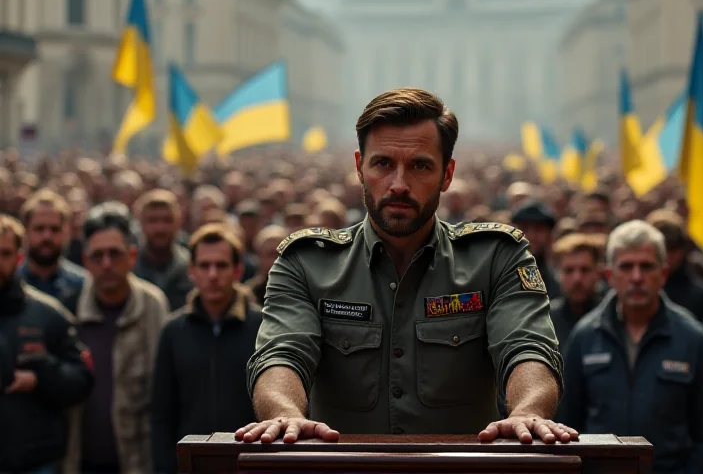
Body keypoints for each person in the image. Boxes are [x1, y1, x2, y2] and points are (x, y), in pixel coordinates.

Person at [237, 88, 576, 445]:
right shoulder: (306, 263)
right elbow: (283, 353)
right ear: (359, 167)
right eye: (383, 163)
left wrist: (528, 409)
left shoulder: (497, 258)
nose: (399, 184)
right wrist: (284, 412)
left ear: (447, 174)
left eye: (420, 165)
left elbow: (527, 347)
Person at [558, 220, 703, 474]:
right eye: (626, 266)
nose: (636, 277)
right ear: (610, 276)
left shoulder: (693, 338)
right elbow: (567, 424)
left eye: (646, 266)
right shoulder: (585, 336)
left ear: (663, 274)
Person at [65, 203, 169, 474]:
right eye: (97, 256)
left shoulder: (152, 306)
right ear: (85, 261)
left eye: (115, 254)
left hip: (139, 460)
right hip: (81, 460)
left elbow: (165, 393)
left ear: (132, 256)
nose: (107, 264)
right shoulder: (69, 309)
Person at [151, 223, 262, 474]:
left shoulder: (262, 328)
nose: (213, 274)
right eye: (204, 265)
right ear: (192, 271)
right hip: (191, 464)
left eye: (221, 265)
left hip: (249, 462)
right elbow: (162, 413)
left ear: (238, 270)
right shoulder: (173, 330)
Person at [0, 214, 94, 473]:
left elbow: (82, 379)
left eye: (4, 253)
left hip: (35, 459)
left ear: (19, 258)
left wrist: (40, 376)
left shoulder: (49, 314)